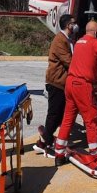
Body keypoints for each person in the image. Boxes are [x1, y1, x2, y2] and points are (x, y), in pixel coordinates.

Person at [53, 20, 97, 166]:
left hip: (70, 83)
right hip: (83, 85)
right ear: (96, 32)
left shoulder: (79, 42)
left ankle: (59, 153)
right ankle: (95, 153)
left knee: (68, 118)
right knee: (91, 118)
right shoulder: (94, 42)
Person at [34, 14, 77, 158]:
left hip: (63, 83)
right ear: (67, 25)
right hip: (56, 83)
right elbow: (69, 61)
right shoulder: (60, 40)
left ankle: (50, 140)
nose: (75, 25)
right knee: (54, 115)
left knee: (60, 115)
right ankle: (42, 144)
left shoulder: (69, 39)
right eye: (73, 23)